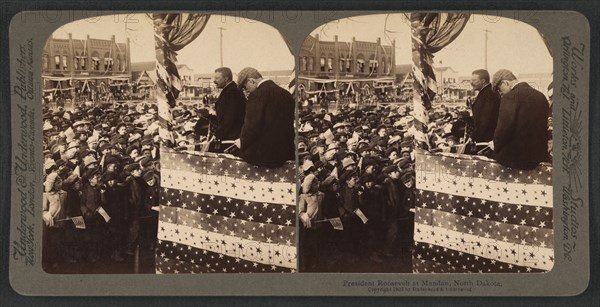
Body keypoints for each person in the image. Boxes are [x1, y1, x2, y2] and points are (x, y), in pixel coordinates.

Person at [234, 67, 295, 168]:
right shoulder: (286, 94)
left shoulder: (256, 95)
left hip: (264, 156)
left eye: (245, 87)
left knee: (234, 152)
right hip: (286, 153)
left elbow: (251, 126)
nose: (246, 91)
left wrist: (242, 142)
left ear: (251, 81)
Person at [490, 69, 550, 170]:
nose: (500, 93)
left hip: (517, 159)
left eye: (499, 89)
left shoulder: (510, 97)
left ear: (506, 82)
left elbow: (504, 129)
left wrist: (495, 144)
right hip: (539, 156)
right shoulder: (541, 96)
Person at [206, 67, 246, 142]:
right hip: (230, 134)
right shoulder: (229, 90)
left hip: (232, 137)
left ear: (226, 78)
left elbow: (229, 117)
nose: (214, 81)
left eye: (217, 78)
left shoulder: (232, 92)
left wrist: (218, 135)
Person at [470, 69, 501, 143]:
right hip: (485, 136)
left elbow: (486, 119)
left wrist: (474, 136)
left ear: (483, 81)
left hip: (487, 138)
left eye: (474, 80)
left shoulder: (489, 94)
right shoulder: (486, 92)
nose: (472, 83)